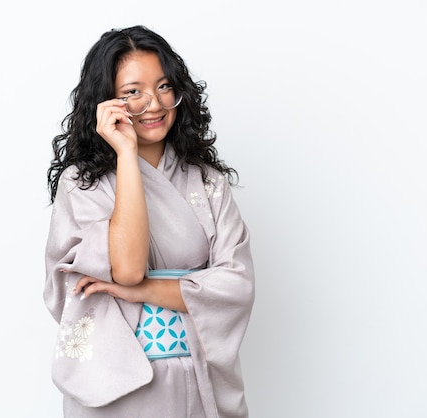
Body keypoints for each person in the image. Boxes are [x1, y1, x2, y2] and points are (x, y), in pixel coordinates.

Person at [44, 25, 255, 418]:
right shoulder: (83, 183)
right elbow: (126, 268)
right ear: (107, 102)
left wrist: (142, 290)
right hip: (118, 384)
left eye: (163, 86)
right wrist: (125, 154)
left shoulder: (206, 181)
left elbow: (237, 284)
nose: (154, 104)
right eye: (133, 92)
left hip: (194, 376)